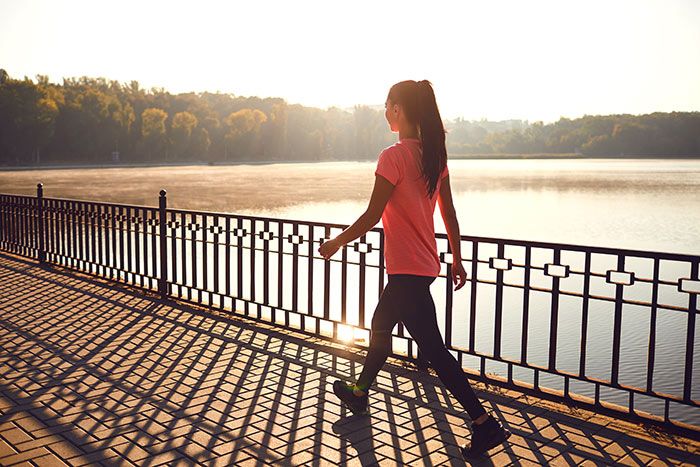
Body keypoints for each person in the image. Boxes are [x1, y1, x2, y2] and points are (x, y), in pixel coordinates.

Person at [318, 80, 511, 458]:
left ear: (400, 109)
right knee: (380, 325)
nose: (384, 111)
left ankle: (483, 423)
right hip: (422, 266)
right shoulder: (433, 157)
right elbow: (449, 213)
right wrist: (456, 257)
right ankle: (359, 392)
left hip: (406, 270)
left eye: (388, 105)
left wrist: (336, 242)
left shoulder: (393, 156)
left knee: (435, 351)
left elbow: (374, 214)